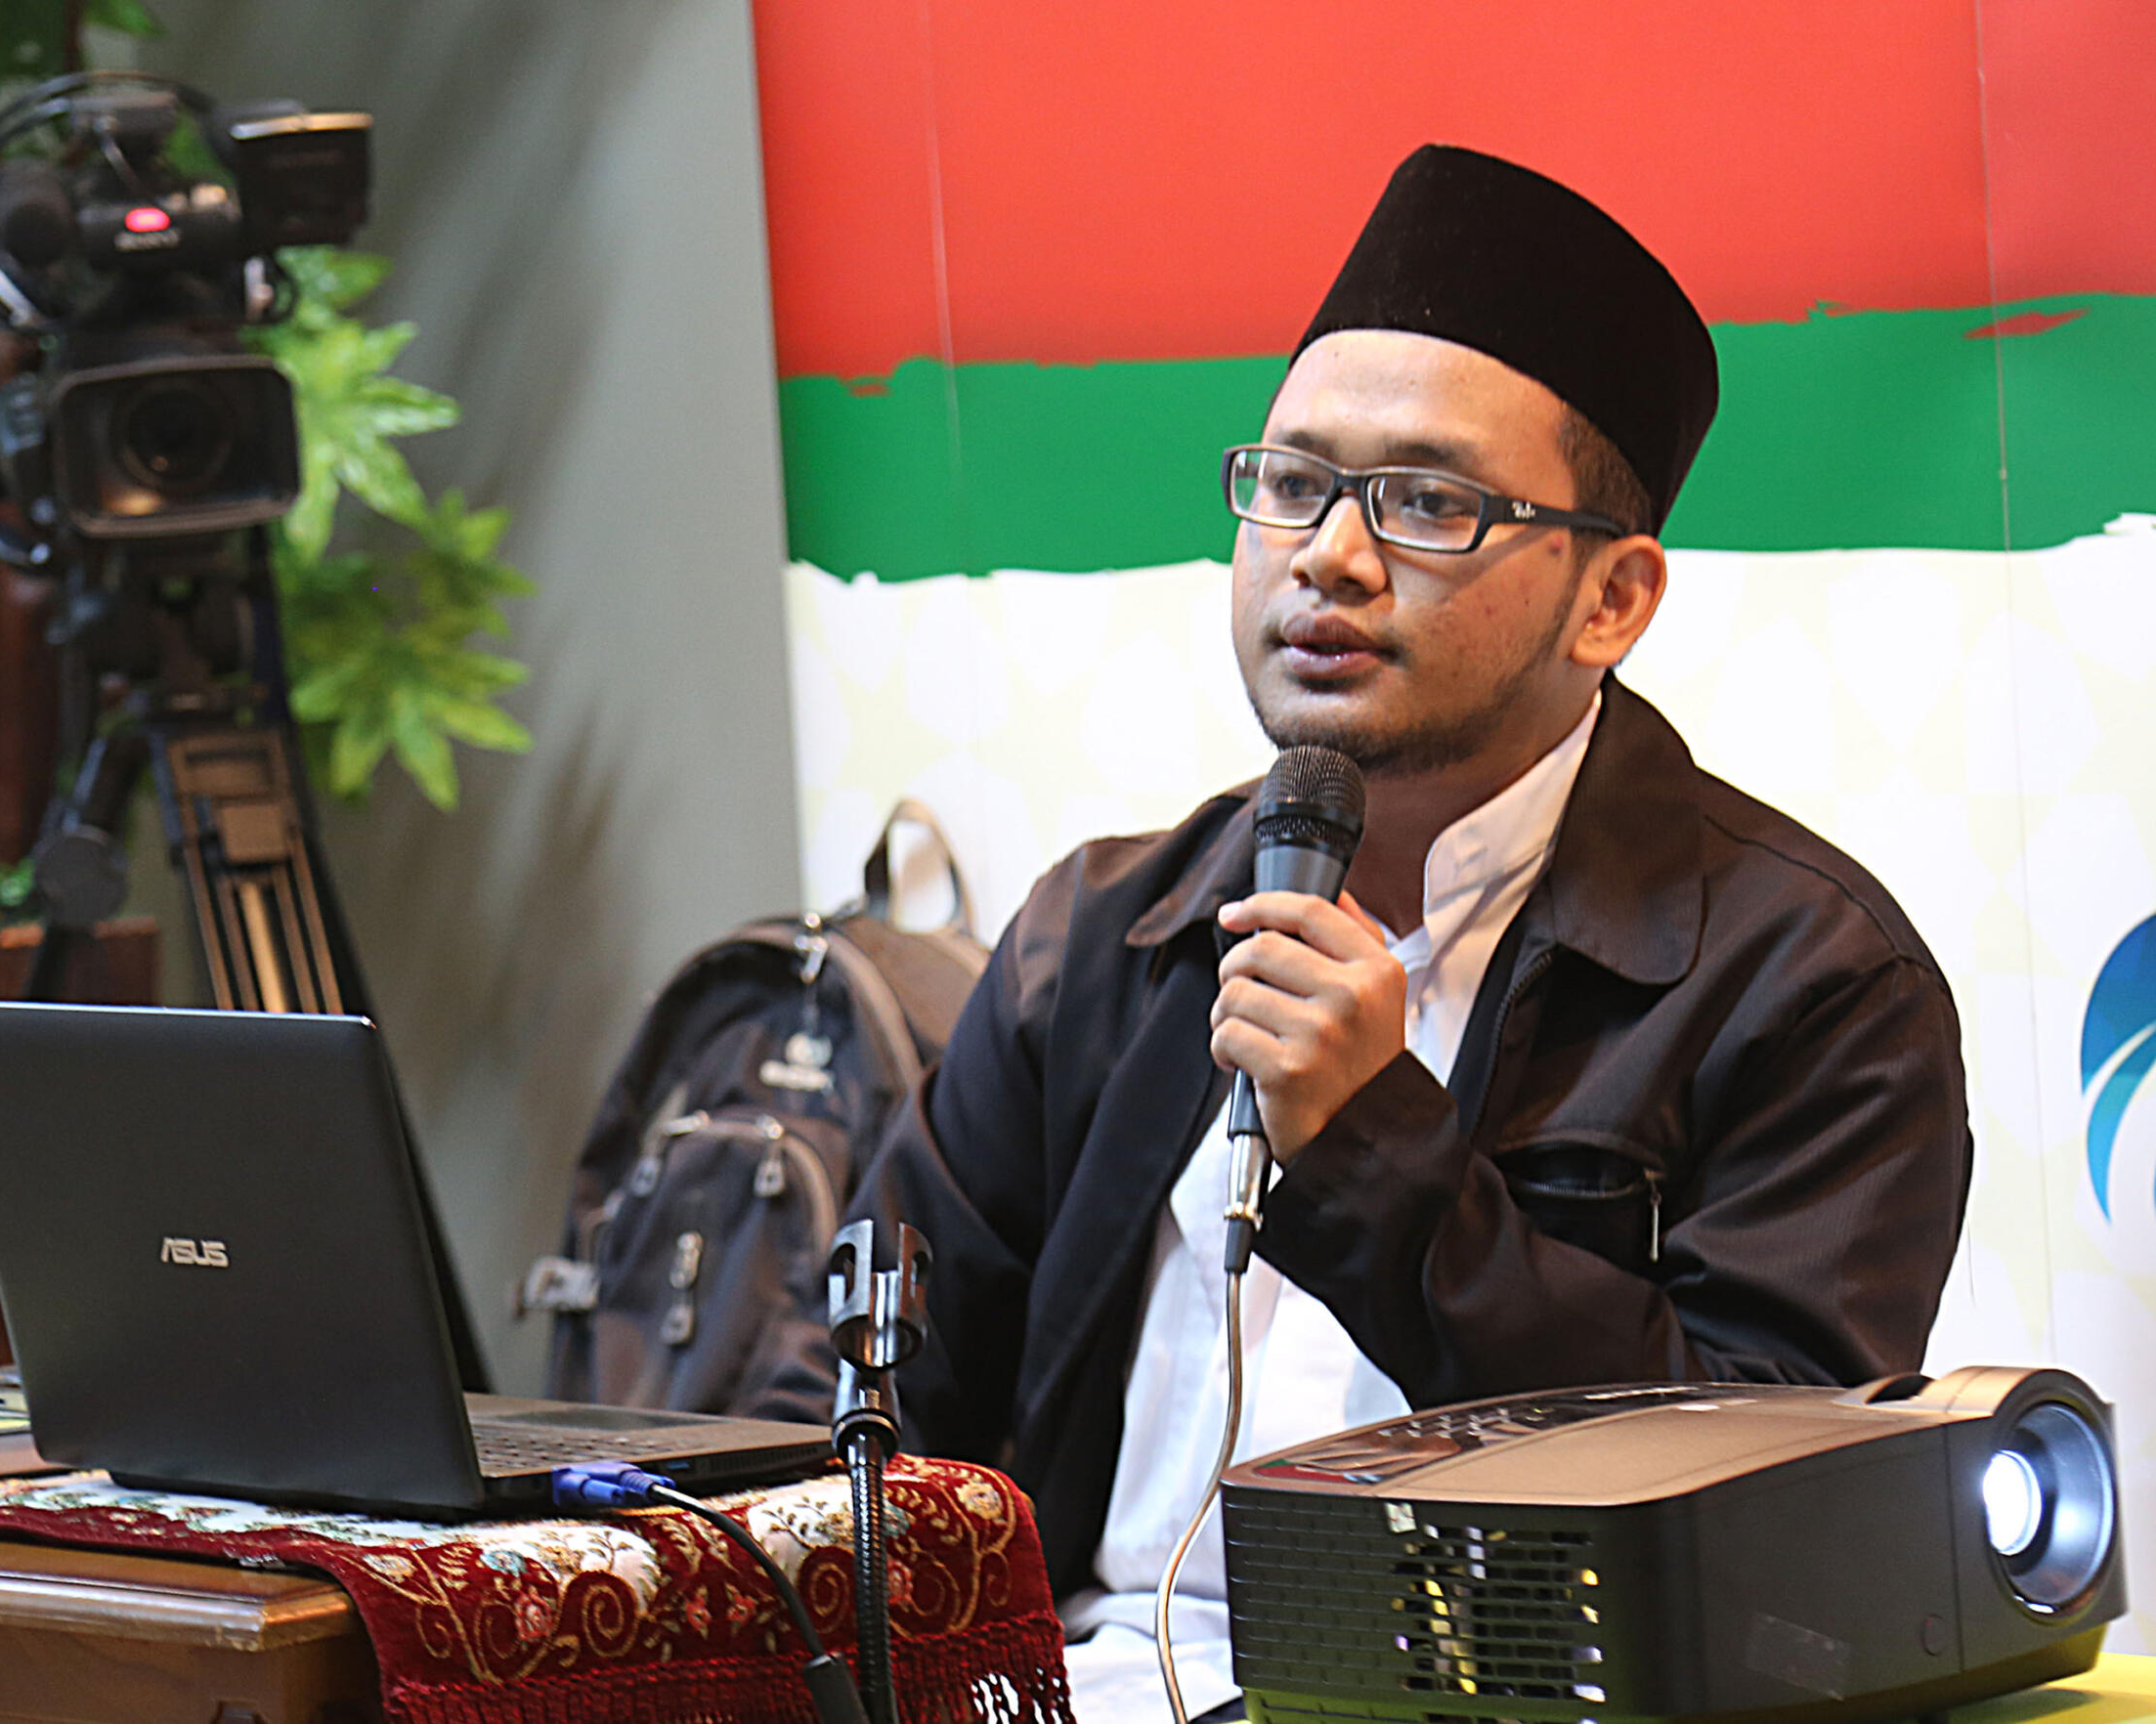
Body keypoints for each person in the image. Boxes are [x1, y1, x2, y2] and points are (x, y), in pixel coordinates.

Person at [843, 145, 1973, 1722]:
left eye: (1429, 503)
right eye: (1294, 484)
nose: (1329, 555)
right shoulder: (1099, 936)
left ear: (1611, 600)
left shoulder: (1806, 982)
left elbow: (1768, 1533)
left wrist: (1373, 1148)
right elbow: (871, 1418)